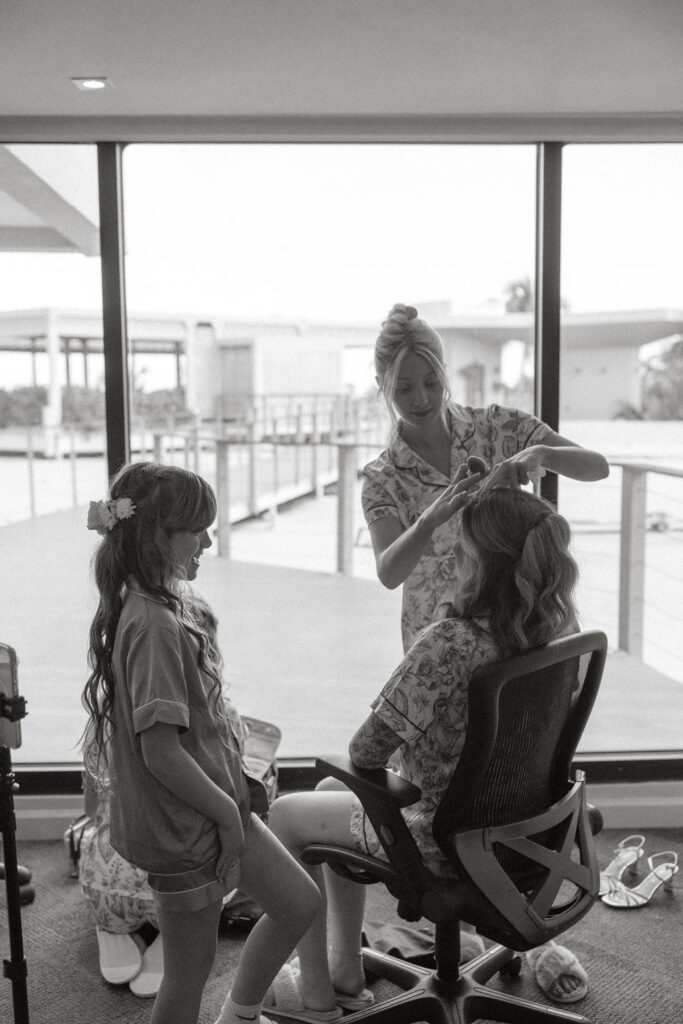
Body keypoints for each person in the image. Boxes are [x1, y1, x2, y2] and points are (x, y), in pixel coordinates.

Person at [262, 487, 590, 1021]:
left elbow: (365, 750)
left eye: (460, 547)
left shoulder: (449, 643)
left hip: (443, 842)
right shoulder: (562, 630)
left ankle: (317, 997)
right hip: (528, 833)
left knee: (286, 815)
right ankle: (346, 966)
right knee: (331, 796)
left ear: (477, 561)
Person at [81, 461, 319, 1024]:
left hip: (215, 808)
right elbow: (161, 752)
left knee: (298, 902)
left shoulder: (162, 609)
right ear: (157, 535)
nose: (208, 540)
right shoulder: (154, 627)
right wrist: (227, 817)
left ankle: (239, 1014)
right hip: (189, 827)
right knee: (188, 973)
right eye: (198, 530)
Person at [362, 302, 610, 652]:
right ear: (382, 385)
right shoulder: (382, 477)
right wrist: (427, 522)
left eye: (431, 382)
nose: (421, 398)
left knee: (537, 704)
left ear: (445, 372)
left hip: (519, 630)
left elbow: (597, 467)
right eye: (404, 389)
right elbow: (388, 573)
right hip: (437, 649)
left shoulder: (497, 427)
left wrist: (544, 453)